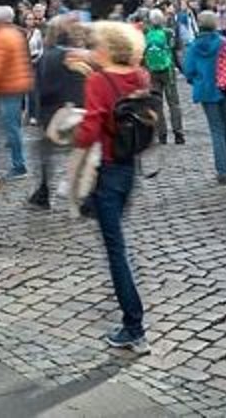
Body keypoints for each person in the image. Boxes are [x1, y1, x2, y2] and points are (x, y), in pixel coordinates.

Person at [74, 21, 152, 353]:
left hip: (107, 167)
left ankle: (133, 325)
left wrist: (69, 130)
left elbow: (89, 131)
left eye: (96, 45)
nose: (93, 49)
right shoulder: (139, 75)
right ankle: (130, 316)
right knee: (113, 236)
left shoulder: (97, 81)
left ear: (106, 49)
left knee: (116, 250)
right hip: (129, 165)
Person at [30, 15, 87, 210]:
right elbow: (83, 83)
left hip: (51, 111)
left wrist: (37, 113)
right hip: (73, 108)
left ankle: (44, 192)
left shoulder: (46, 56)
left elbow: (39, 88)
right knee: (78, 152)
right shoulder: (73, 55)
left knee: (46, 153)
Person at [180, 11, 226, 184]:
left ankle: (223, 170)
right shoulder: (223, 42)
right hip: (225, 87)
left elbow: (188, 69)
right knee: (224, 127)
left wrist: (196, 80)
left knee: (216, 129)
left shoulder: (194, 46)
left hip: (206, 90)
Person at [0, 6, 31, 179]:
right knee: (11, 125)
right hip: (17, 84)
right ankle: (11, 157)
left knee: (11, 127)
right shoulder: (15, 33)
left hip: (9, 86)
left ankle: (19, 166)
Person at [141, 8, 186, 145]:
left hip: (152, 71)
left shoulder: (146, 33)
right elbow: (176, 51)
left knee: (157, 103)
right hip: (168, 71)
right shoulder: (169, 33)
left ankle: (162, 134)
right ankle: (178, 132)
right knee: (174, 103)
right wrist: (181, 68)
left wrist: (144, 68)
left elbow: (142, 53)